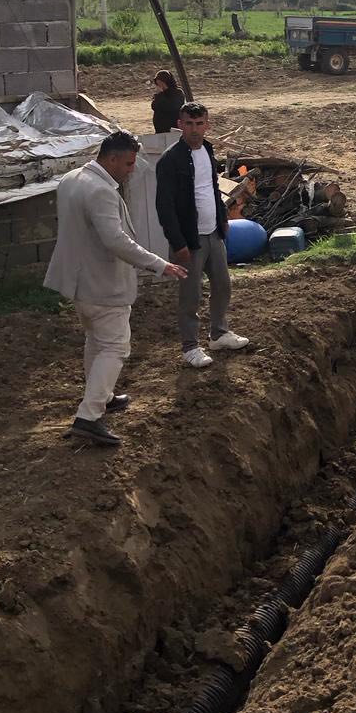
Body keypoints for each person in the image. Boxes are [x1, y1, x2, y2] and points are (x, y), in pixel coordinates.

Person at [44, 131, 188, 446]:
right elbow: (115, 240)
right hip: (102, 283)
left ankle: (102, 396)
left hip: (79, 281)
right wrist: (159, 264)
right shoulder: (100, 191)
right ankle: (90, 416)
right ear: (111, 158)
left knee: (96, 341)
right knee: (116, 347)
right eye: (128, 163)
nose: (131, 169)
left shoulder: (71, 179)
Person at [155, 101, 250, 368]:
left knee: (223, 285)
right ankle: (190, 347)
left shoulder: (207, 150)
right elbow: (165, 206)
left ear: (207, 125)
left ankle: (218, 333)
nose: (195, 130)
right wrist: (178, 242)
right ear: (179, 124)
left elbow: (212, 188)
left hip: (213, 233)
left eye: (200, 124)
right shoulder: (170, 160)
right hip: (189, 240)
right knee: (190, 295)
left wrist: (222, 220)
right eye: (189, 124)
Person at [150, 70, 185, 134]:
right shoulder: (159, 94)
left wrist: (161, 94)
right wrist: (159, 95)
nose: (160, 85)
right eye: (158, 83)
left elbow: (170, 106)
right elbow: (154, 106)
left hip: (173, 128)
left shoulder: (178, 93)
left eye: (161, 83)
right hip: (160, 130)